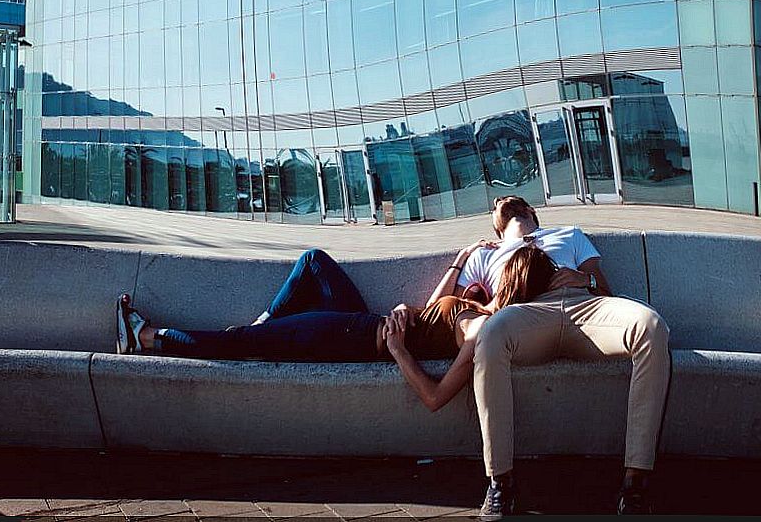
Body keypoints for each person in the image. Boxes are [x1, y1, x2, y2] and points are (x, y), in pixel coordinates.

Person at [435, 196, 671, 518]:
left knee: (651, 326)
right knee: (490, 334)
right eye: (497, 205)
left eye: (511, 201)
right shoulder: (484, 253)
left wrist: (583, 279)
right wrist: (462, 257)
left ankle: (635, 483)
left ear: (533, 212)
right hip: (528, 313)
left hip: (584, 308)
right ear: (496, 223)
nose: (501, 202)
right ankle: (500, 482)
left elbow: (604, 289)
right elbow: (443, 304)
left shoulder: (570, 234)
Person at [115, 244, 559, 415]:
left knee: (237, 344)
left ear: (511, 279)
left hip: (352, 340)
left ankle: (146, 337)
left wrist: (399, 348)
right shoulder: (480, 309)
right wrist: (455, 272)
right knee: (314, 261)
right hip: (363, 325)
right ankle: (266, 324)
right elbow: (431, 312)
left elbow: (435, 398)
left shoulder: (479, 328)